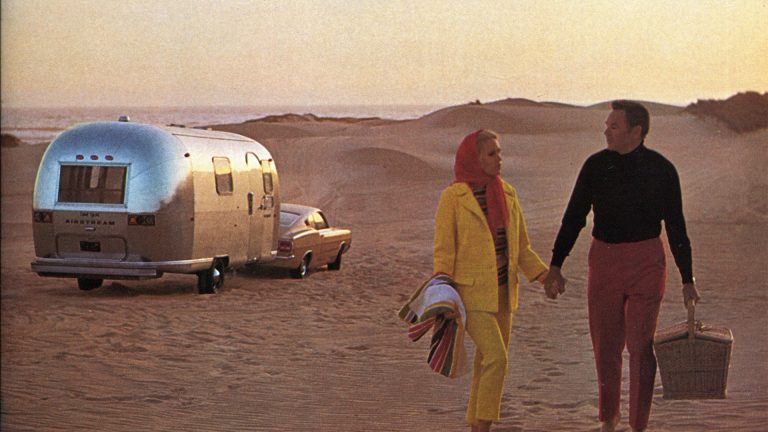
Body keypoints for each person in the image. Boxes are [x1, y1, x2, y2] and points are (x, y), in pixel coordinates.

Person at [543, 100, 701, 432]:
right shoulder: (595, 166)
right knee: (606, 345)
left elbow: (676, 227)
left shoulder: (662, 169)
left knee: (641, 346)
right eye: (607, 125)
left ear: (636, 131)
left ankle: (638, 425)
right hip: (604, 261)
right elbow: (574, 217)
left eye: (614, 126)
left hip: (647, 262)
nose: (606, 131)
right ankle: (609, 419)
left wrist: (687, 278)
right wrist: (556, 264)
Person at [434, 129, 549, 432]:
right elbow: (444, 252)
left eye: (500, 153)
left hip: (502, 294)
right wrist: (443, 296)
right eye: (491, 153)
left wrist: (544, 275)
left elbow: (521, 248)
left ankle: (476, 425)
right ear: (475, 158)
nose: (499, 159)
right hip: (470, 295)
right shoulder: (453, 198)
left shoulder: (508, 194)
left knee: (485, 362)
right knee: (497, 358)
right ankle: (484, 426)